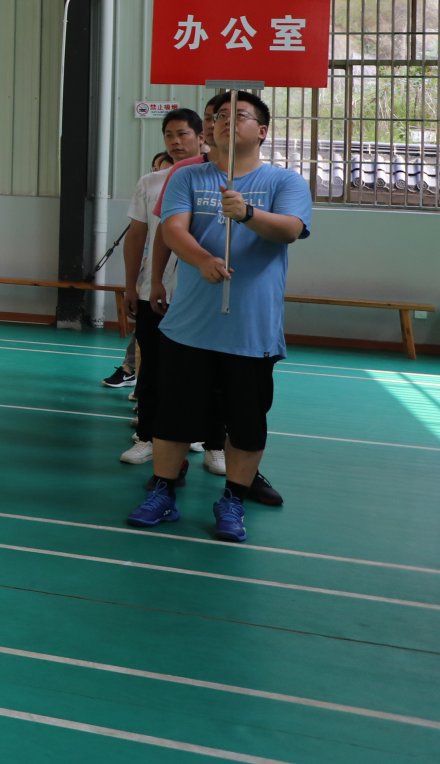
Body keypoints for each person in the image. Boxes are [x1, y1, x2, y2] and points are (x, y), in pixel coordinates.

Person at [128, 91, 309, 543]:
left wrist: (247, 213)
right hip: (189, 326)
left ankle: (233, 499)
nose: (227, 120)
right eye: (221, 115)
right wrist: (203, 259)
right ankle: (163, 490)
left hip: (251, 328)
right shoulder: (188, 177)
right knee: (172, 416)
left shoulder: (285, 181)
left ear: (261, 131)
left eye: (240, 115)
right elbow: (172, 229)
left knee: (246, 422)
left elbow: (290, 229)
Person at [114, 110, 207, 457]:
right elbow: (137, 236)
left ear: (201, 137)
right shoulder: (151, 183)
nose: (175, 141)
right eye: (169, 135)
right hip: (155, 291)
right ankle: (147, 437)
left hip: (199, 293)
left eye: (182, 134)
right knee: (152, 366)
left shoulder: (216, 180)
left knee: (196, 369)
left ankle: (198, 434)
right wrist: (131, 286)